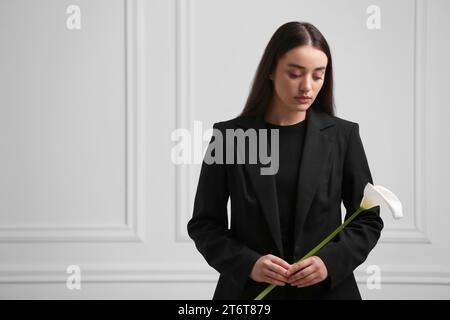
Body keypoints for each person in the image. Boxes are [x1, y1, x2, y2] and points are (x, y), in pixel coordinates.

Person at [187, 21, 383, 300]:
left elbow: (367, 218)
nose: (307, 86)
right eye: (295, 73)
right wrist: (248, 264)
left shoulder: (344, 135)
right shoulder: (229, 136)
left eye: (318, 75)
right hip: (249, 294)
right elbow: (204, 224)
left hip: (327, 293)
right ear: (270, 70)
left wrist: (329, 262)